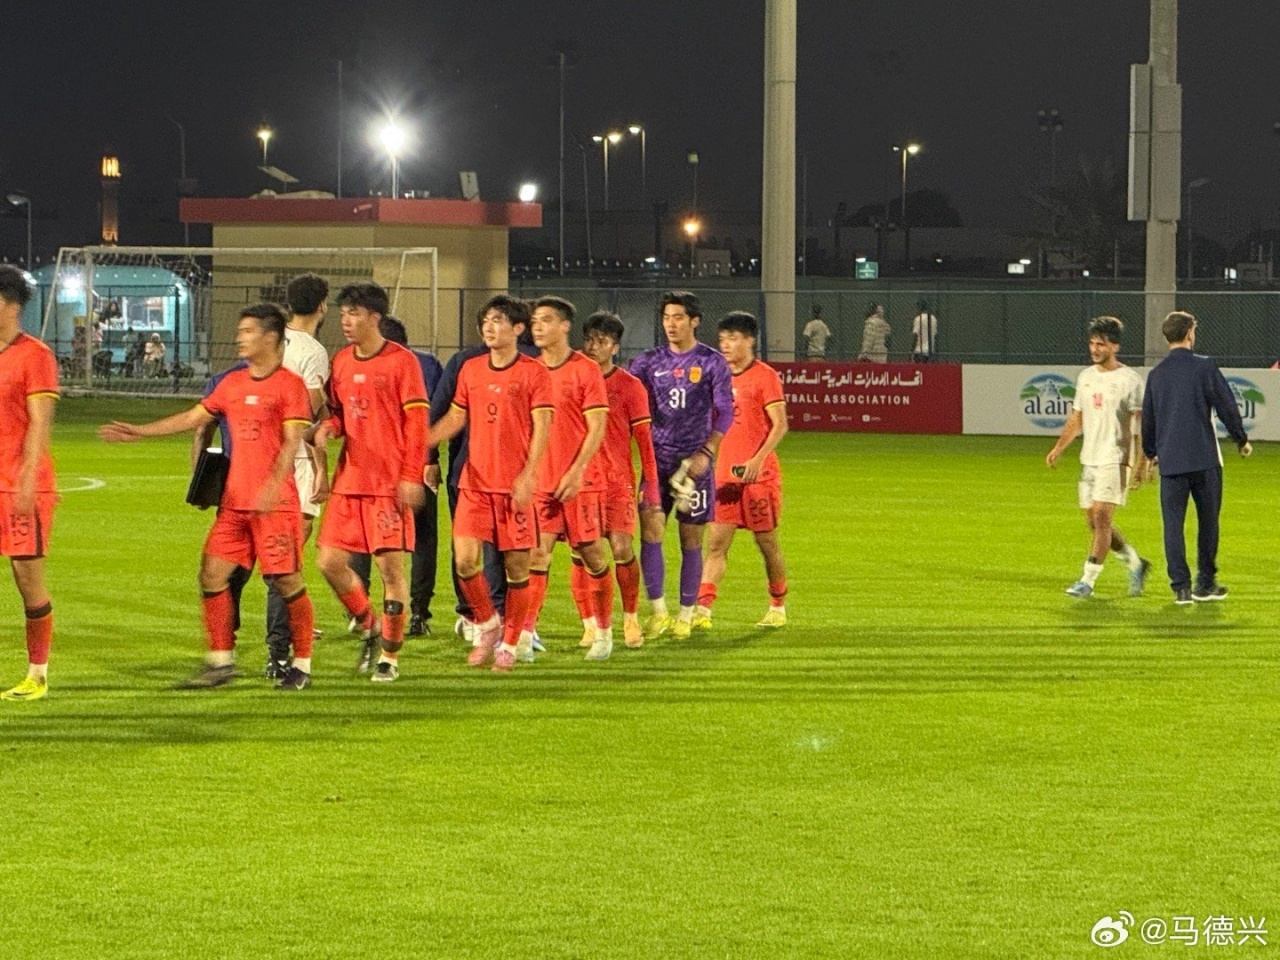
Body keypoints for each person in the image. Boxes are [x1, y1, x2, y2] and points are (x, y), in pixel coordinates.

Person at [98, 304, 318, 690]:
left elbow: (291, 442)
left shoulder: (290, 385)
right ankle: (220, 663)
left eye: (248, 331)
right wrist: (140, 431)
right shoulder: (231, 385)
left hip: (274, 506)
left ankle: (301, 664)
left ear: (270, 337)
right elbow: (192, 419)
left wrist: (273, 485)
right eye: (240, 330)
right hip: (234, 505)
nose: (240, 337)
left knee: (287, 582)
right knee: (212, 575)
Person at [426, 294, 552, 672]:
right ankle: (487, 624)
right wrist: (422, 441)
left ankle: (510, 644)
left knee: (517, 569)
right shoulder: (471, 369)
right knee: (465, 561)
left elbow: (543, 427)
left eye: (498, 320)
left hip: (514, 487)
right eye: (486, 321)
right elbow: (456, 417)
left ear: (518, 328)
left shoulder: (534, 372)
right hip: (475, 483)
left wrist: (529, 474)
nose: (489, 327)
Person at [312, 282, 428, 683]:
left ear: (375, 318)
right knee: (328, 562)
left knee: (390, 573)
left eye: (355, 314)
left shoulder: (402, 362)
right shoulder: (342, 361)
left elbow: (417, 425)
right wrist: (329, 428)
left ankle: (389, 658)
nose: (346, 321)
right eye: (343, 313)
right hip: (350, 481)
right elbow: (340, 415)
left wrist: (411, 476)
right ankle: (368, 623)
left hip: (387, 485)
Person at [629, 291, 734, 640]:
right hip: (656, 461)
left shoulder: (711, 362)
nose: (671, 324)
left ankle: (686, 615)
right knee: (651, 531)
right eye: (666, 318)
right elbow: (631, 404)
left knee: (690, 539)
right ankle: (658, 612)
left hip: (693, 464)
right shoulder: (647, 362)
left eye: (678, 317)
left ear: (694, 321)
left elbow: (725, 411)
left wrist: (707, 452)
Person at [522, 296, 614, 661]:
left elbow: (597, 426)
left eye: (546, 320)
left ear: (564, 326)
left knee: (591, 555)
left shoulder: (585, 370)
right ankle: (525, 634)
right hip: (541, 482)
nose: (538, 327)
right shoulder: (529, 370)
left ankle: (603, 632)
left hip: (581, 483)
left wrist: (577, 470)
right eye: (534, 321)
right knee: (536, 555)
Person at [1141, 310, 1252, 604]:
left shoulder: (1156, 375)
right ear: (1190, 332)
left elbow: (1149, 419)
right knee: (1208, 523)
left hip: (1171, 462)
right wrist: (1240, 439)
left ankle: (1181, 588)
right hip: (1204, 458)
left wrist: (1150, 452)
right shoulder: (1204, 366)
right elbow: (1226, 405)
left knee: (1173, 526)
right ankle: (1205, 583)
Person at [348, 315, 443, 639]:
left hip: (375, 472)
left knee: (364, 539)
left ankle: (361, 610)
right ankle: (418, 613)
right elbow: (436, 413)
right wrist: (431, 459)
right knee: (423, 540)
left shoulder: (367, 365)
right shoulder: (427, 364)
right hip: (418, 467)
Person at [1045, 316, 1152, 599]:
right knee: (1094, 522)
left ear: (1115, 346)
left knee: (1102, 518)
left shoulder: (1130, 380)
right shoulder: (1086, 377)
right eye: (1092, 343)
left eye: (1101, 344)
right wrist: (1059, 448)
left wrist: (1142, 461)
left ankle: (1087, 580)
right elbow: (1077, 417)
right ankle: (1136, 562)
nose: (1094, 349)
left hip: (1116, 458)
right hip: (1090, 458)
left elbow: (1140, 424)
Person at [697, 311, 790, 629]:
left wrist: (757, 460)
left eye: (733, 338)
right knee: (716, 545)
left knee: (767, 544)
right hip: (724, 476)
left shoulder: (765, 376)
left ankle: (777, 606)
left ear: (749, 340)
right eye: (722, 339)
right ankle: (703, 610)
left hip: (759, 478)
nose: (725, 345)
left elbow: (780, 425)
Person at [261, 273, 331, 677]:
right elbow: (308, 419)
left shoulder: (272, 341)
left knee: (277, 556)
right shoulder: (312, 351)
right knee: (285, 558)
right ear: (323, 305)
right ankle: (278, 651)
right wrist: (322, 469)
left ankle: (290, 625)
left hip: (261, 459)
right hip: (296, 464)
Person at [579, 310, 660, 648]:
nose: (593, 347)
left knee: (622, 548)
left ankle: (630, 618)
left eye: (602, 341)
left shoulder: (630, 387)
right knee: (584, 553)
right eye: (589, 340)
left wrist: (650, 483)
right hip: (581, 482)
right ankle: (590, 624)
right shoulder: (574, 379)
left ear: (615, 347)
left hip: (617, 482)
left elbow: (644, 441)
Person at [0, 265, 59, 701]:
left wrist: (26, 477)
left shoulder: (35, 355)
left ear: (11, 306)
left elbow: (40, 423)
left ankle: (37, 675)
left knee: (27, 580)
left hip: (21, 487)